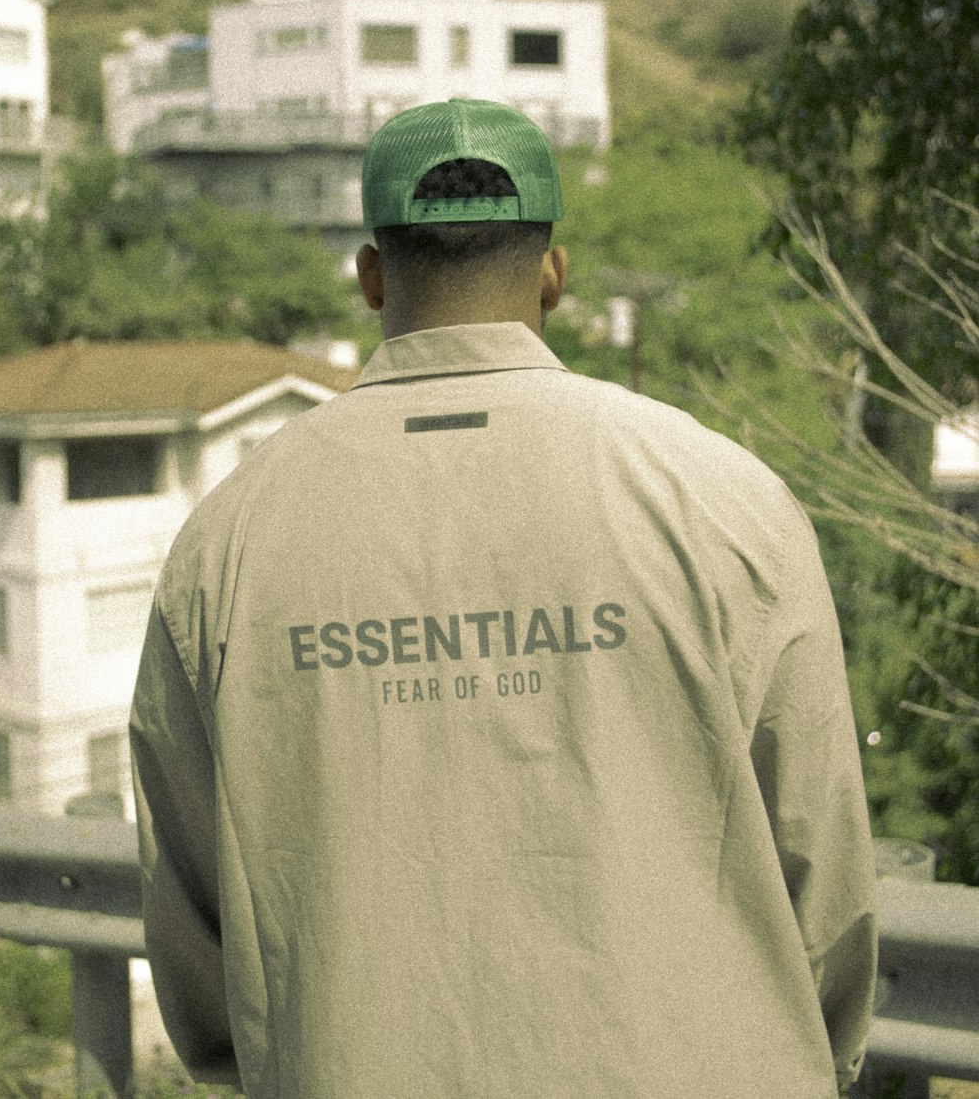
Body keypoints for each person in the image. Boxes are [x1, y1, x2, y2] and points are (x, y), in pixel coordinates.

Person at [130, 98, 877, 1099]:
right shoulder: (721, 497)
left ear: (370, 274)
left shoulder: (226, 542)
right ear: (554, 274)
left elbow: (193, 933)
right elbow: (823, 876)